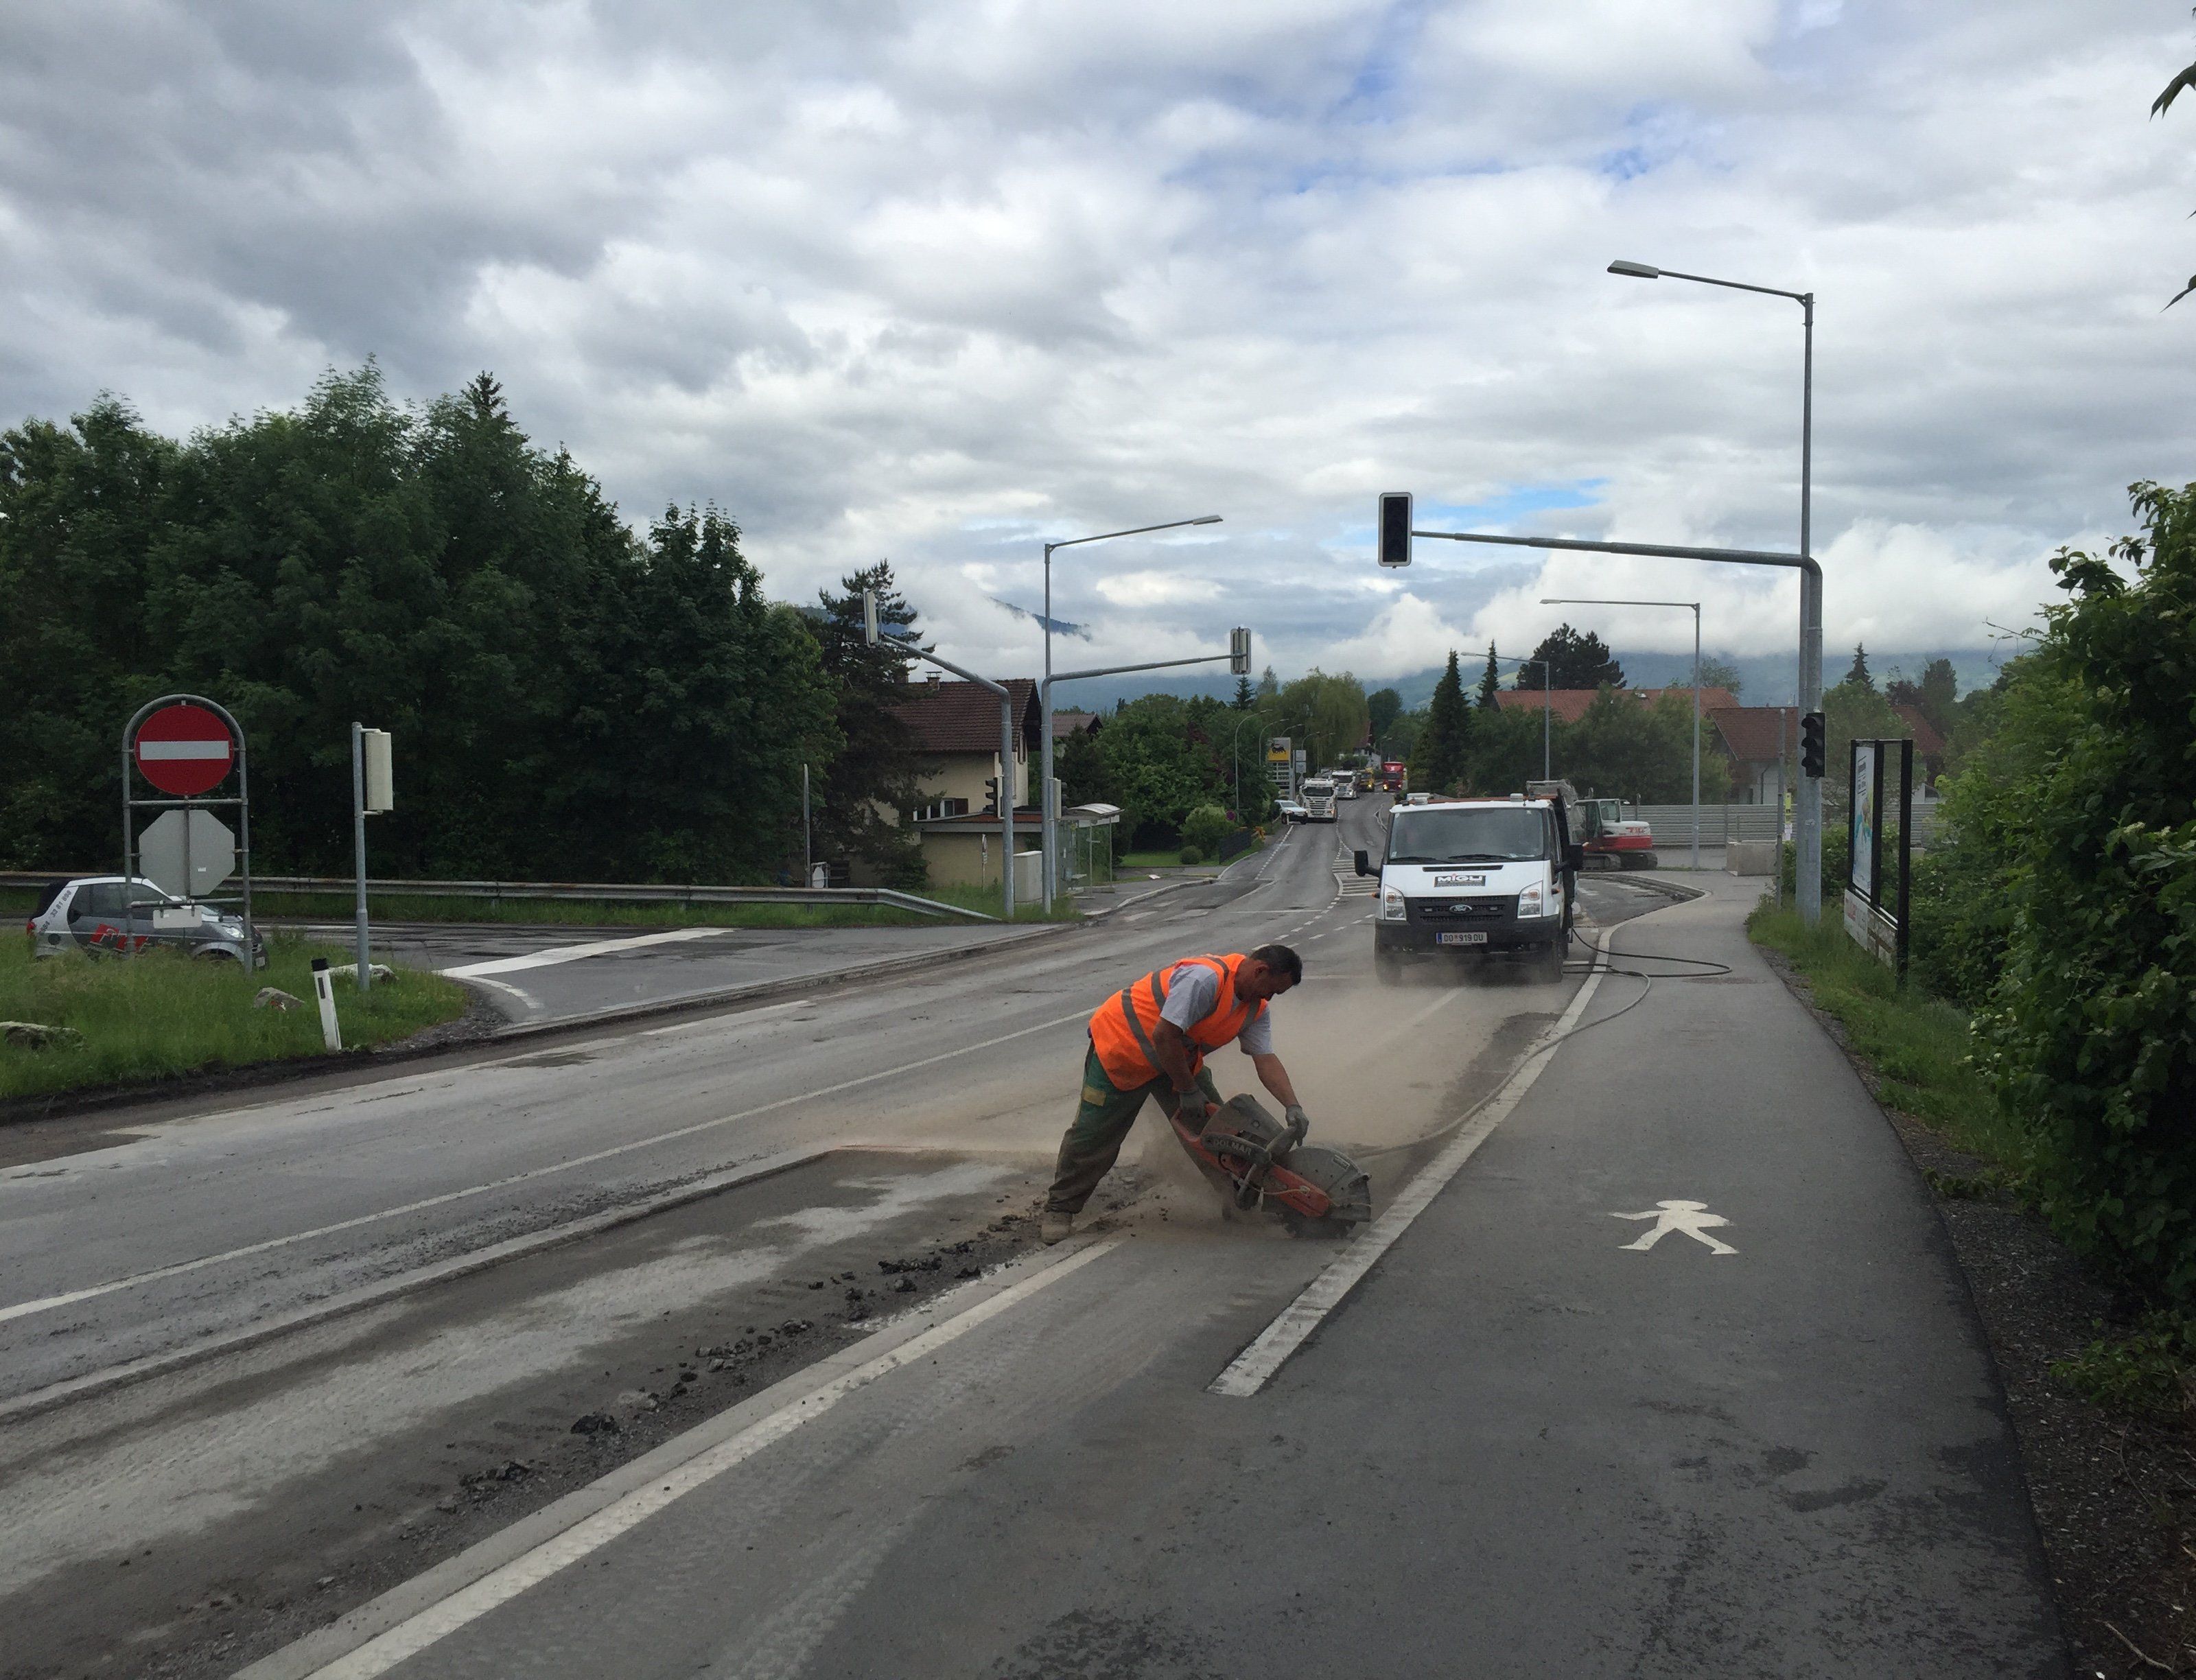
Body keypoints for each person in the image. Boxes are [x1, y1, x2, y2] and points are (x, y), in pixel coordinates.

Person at [1040, 944, 1306, 1244]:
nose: (1269, 998)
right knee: (1094, 1135)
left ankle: (1236, 1203)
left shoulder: (1255, 1010)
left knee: (1219, 1132)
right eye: (1271, 990)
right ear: (1260, 971)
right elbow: (1164, 1035)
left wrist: (1292, 1105)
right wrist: (1187, 1090)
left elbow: (1266, 1060)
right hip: (1122, 1051)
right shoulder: (1204, 980)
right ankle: (1060, 1209)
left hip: (1177, 1061)